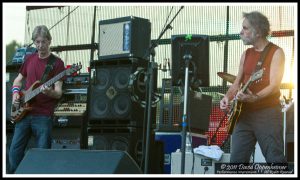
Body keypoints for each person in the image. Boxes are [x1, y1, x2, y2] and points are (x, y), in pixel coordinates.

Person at [220, 11, 287, 164]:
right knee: (236, 163)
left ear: (257, 31)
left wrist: (254, 97)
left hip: (267, 114)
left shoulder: (276, 52)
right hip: (243, 115)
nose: (241, 32)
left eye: (245, 28)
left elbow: (274, 85)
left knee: (275, 160)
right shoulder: (246, 54)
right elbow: (236, 83)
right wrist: (227, 97)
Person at [8, 25, 65, 173]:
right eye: (37, 42)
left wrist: (49, 92)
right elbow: (17, 81)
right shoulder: (29, 59)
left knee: (42, 156)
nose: (40, 46)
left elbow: (58, 93)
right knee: (14, 152)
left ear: (49, 41)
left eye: (43, 42)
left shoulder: (57, 63)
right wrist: (15, 94)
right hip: (24, 113)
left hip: (43, 115)